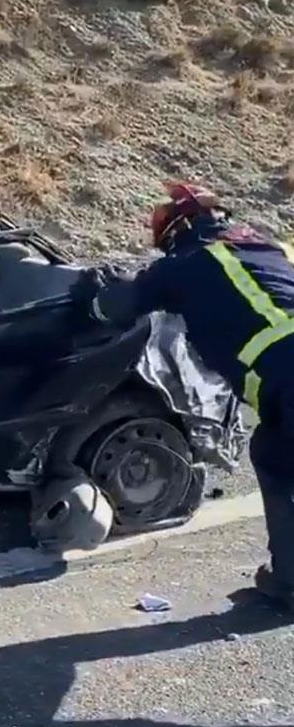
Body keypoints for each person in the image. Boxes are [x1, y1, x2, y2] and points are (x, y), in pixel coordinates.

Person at [72, 180, 294, 612]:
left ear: (174, 232)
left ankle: (290, 581)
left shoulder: (185, 265)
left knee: (278, 461)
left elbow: (119, 305)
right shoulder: (266, 250)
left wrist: (93, 294)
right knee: (273, 452)